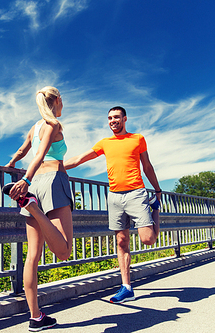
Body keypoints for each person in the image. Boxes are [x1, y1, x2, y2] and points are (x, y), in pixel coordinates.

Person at [64, 105, 162, 304]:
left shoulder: (138, 139)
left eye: (116, 117)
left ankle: (155, 209)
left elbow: (147, 166)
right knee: (121, 242)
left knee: (148, 239)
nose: (112, 121)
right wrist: (45, 166)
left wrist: (158, 190)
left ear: (125, 119)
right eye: (109, 118)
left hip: (136, 193)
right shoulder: (105, 143)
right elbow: (79, 159)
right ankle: (126, 287)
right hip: (114, 197)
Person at [4, 86, 74, 331]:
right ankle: (33, 208)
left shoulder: (34, 127)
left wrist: (12, 163)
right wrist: (26, 179)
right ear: (57, 101)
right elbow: (42, 153)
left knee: (32, 256)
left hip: (33, 186)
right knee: (64, 251)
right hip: (52, 181)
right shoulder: (52, 124)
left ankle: (36, 317)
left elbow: (25, 150)